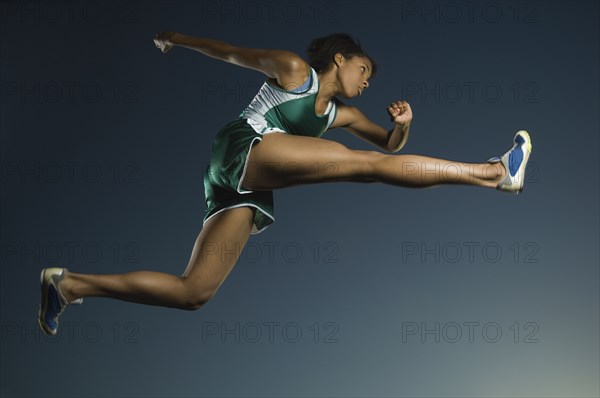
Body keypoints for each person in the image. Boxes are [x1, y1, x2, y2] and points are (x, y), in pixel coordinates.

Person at [38, 32, 532, 336]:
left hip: (241, 186)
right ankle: (493, 173)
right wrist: (178, 39)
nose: (368, 79)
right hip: (245, 147)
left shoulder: (345, 113)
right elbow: (230, 53)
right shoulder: (296, 73)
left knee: (194, 292)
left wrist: (402, 124)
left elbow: (389, 148)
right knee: (354, 164)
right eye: (364, 69)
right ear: (339, 58)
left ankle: (69, 285)